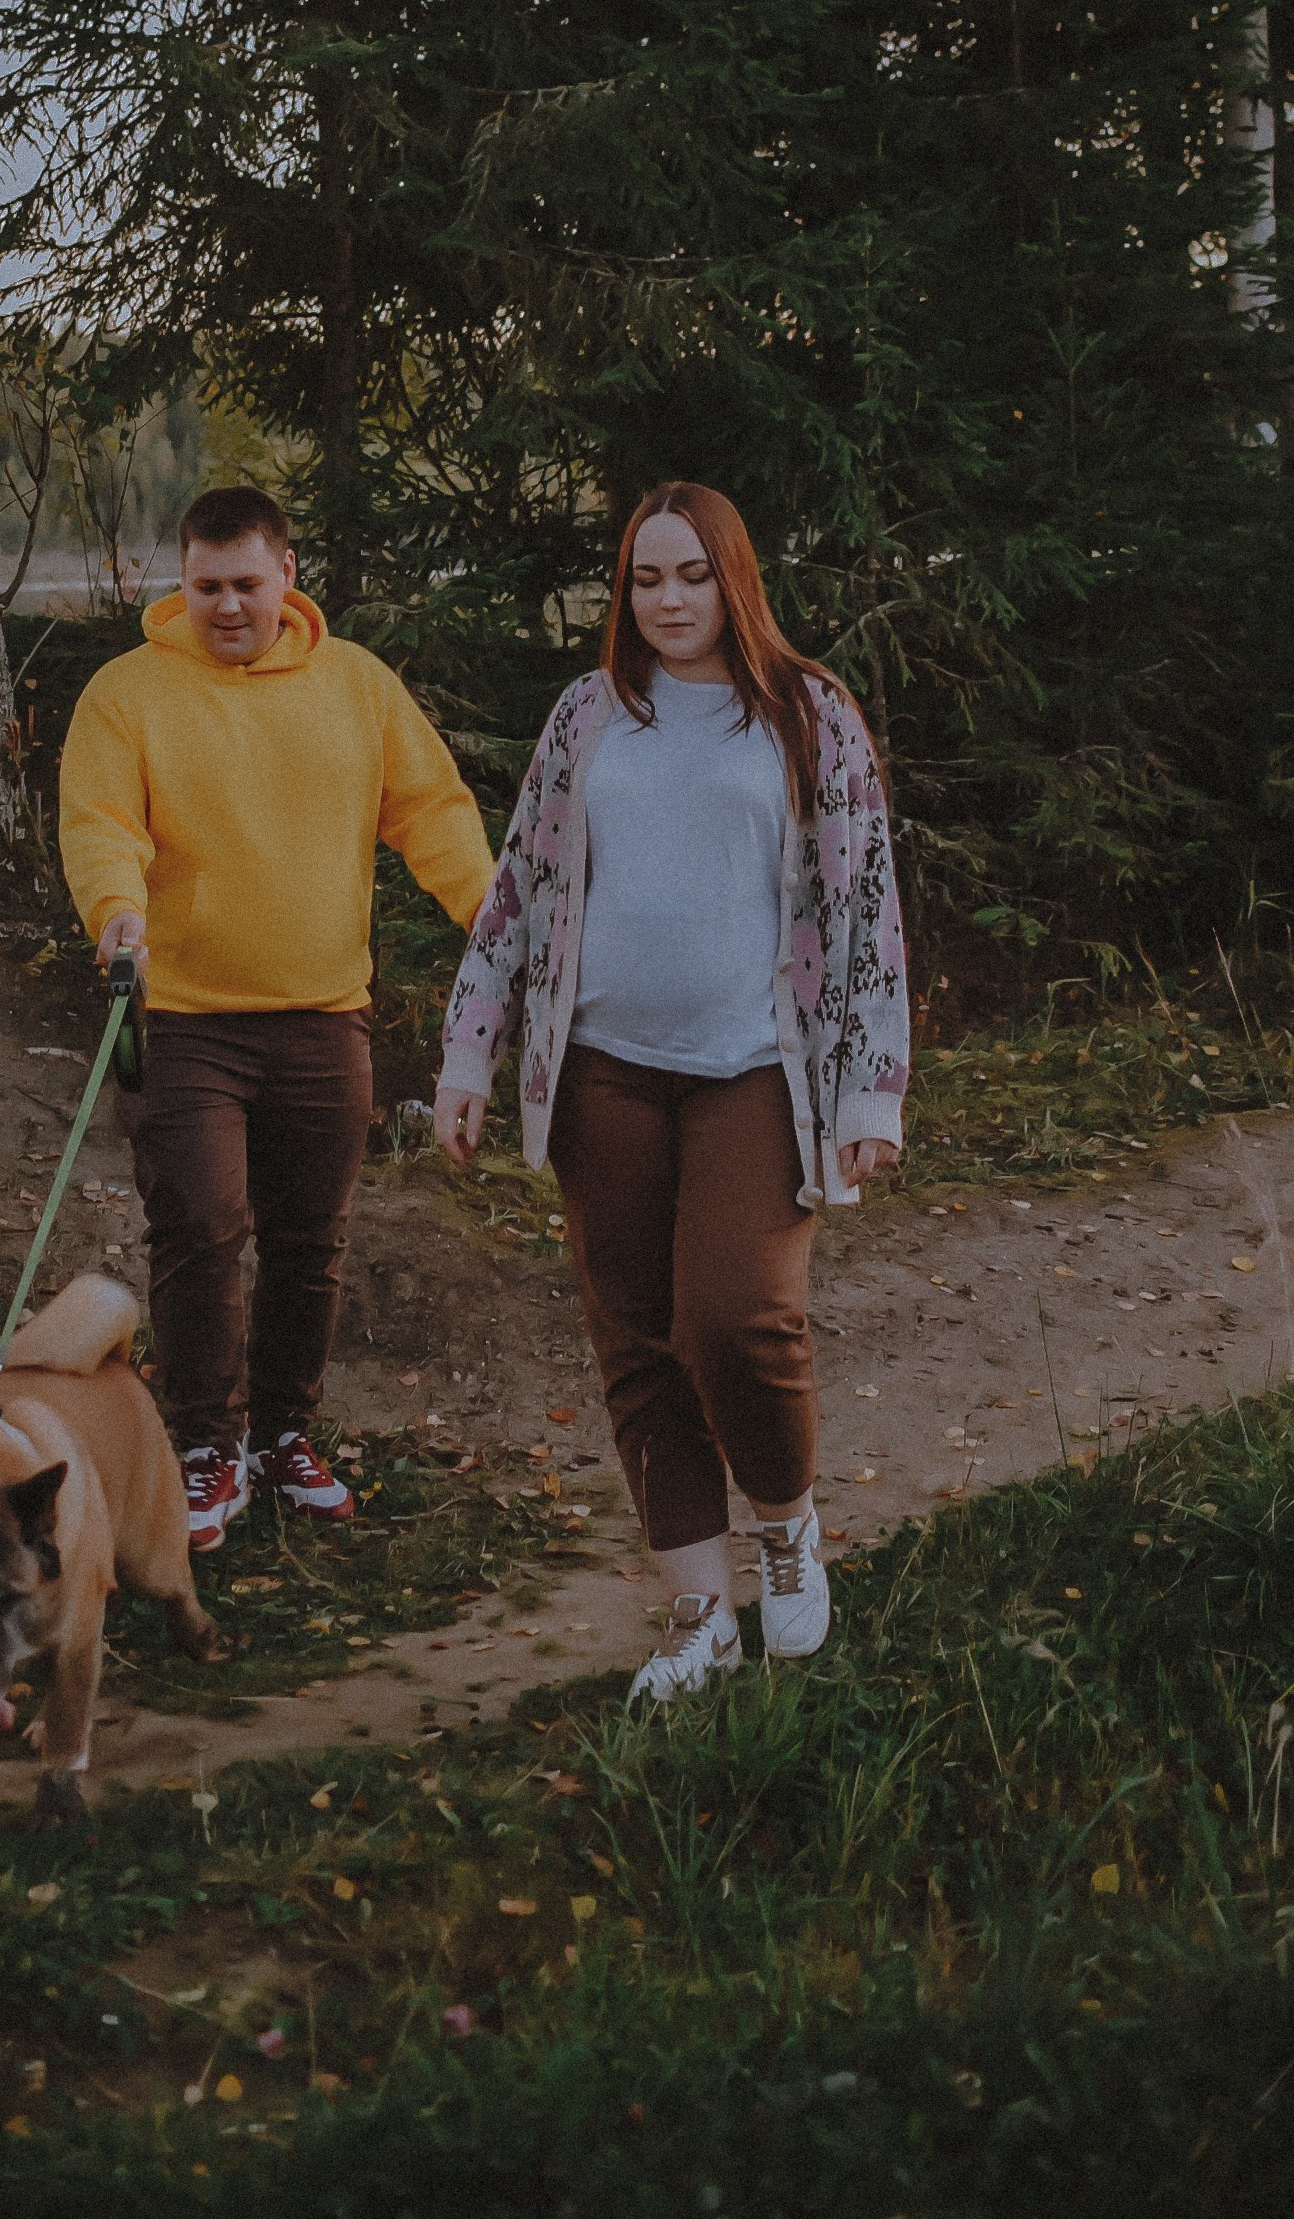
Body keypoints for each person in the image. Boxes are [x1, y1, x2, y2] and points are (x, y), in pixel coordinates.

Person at [434, 481, 908, 1703]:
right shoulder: (592, 712)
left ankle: (788, 1526)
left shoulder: (807, 715)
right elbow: (519, 892)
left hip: (756, 1068)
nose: (669, 600)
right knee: (638, 1341)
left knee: (737, 1316)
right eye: (646, 579)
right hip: (602, 1077)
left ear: (734, 577)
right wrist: (467, 1054)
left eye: (692, 574)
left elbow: (865, 914)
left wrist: (870, 1094)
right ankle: (698, 1612)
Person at [57, 484, 494, 1551]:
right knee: (201, 1226)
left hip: (324, 1014)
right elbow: (100, 819)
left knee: (311, 1239)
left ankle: (284, 1435)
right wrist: (116, 913)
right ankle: (204, 1443)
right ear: (183, 582)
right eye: (206, 586)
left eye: (246, 583)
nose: (227, 606)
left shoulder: (357, 685)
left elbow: (430, 808)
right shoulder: (129, 693)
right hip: (190, 1018)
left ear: (286, 575)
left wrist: (493, 916)